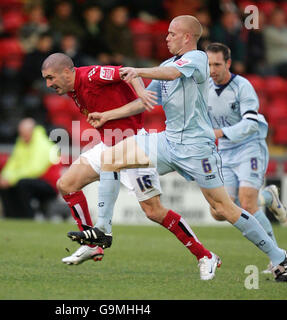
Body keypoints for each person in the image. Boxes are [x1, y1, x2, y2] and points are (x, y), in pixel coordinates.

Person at [71, 15, 287, 282]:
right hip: (168, 141)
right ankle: (102, 230)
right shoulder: (165, 65)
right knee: (110, 158)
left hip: (198, 148)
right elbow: (145, 101)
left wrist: (138, 71)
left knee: (223, 209)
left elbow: (172, 73)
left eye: (172, 34)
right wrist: (108, 115)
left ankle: (280, 257)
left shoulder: (197, 58)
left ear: (187, 37)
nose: (166, 37)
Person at [42, 53, 218, 280]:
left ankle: (205, 255)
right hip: (108, 146)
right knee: (67, 184)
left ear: (67, 72)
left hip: (134, 145)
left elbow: (127, 71)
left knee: (154, 211)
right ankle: (93, 241)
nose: (48, 84)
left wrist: (141, 92)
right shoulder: (74, 89)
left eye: (50, 77)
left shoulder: (93, 75)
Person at [205, 42, 287, 272]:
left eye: (217, 64)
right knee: (219, 211)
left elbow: (251, 122)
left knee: (247, 203)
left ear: (228, 63)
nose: (212, 69)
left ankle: (278, 260)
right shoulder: (204, 88)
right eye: (209, 64)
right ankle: (268, 198)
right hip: (224, 152)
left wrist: (220, 133)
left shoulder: (243, 86)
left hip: (248, 146)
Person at [0, 118, 62, 219]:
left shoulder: (43, 144)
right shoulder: (22, 142)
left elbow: (35, 169)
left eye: (24, 133)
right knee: (2, 184)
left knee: (23, 184)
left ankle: (28, 217)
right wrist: (5, 176)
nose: (22, 136)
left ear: (32, 130)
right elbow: (12, 163)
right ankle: (10, 217)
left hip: (49, 183)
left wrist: (11, 179)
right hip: (30, 179)